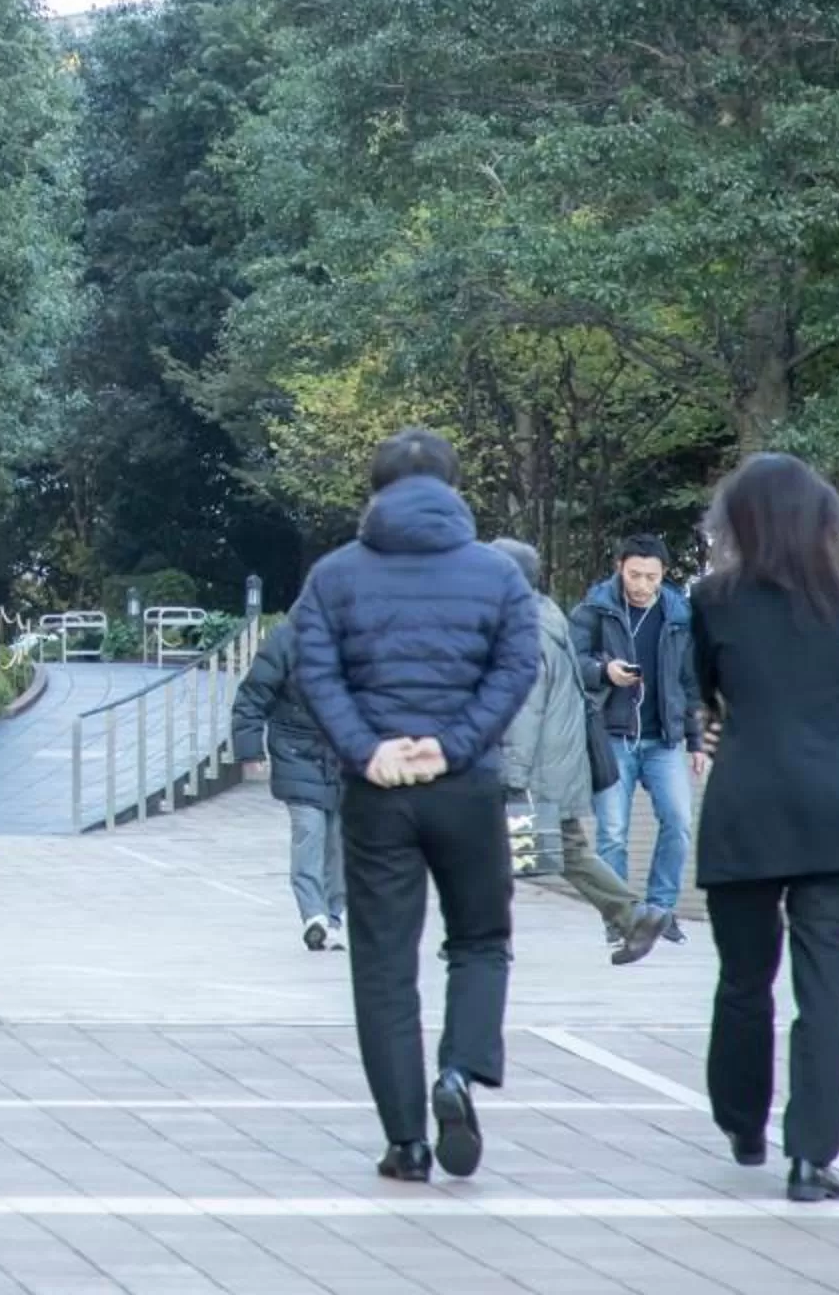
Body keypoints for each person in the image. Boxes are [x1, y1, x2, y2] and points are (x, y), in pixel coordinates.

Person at [291, 427, 538, 1184]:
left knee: (383, 965)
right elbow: (518, 663)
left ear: (377, 490)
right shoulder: (498, 575)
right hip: (465, 787)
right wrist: (455, 744)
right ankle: (459, 1073)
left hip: (377, 794)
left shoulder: (333, 577)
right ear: (453, 487)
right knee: (481, 939)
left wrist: (368, 748)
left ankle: (406, 1144)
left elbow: (313, 669)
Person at [690, 453, 839, 1204]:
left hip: (748, 806)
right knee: (826, 991)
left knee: (743, 978)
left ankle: (741, 1123)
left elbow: (707, 694)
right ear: (826, 522)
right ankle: (811, 1157)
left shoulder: (711, 599)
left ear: (739, 524)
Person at [489, 539, 667, 965]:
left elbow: (526, 710)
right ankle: (632, 915)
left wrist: (513, 778)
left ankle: (488, 938)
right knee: (558, 848)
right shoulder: (543, 614)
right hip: (553, 763)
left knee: (502, 846)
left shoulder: (522, 629)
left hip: (532, 767)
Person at [572, 533, 704, 935]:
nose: (642, 585)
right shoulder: (595, 609)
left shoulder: (680, 615)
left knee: (679, 822)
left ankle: (660, 910)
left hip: (664, 739)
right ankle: (621, 916)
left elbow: (690, 680)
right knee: (613, 832)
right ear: (619, 569)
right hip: (612, 736)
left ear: (664, 574)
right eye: (634, 575)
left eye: (651, 576)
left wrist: (696, 740)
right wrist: (603, 672)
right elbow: (569, 660)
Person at [230, 615, 346, 951]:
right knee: (310, 829)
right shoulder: (286, 637)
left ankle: (333, 917)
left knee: (340, 839)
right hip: (297, 751)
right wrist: (249, 749)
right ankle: (314, 915)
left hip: (345, 755)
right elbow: (253, 695)